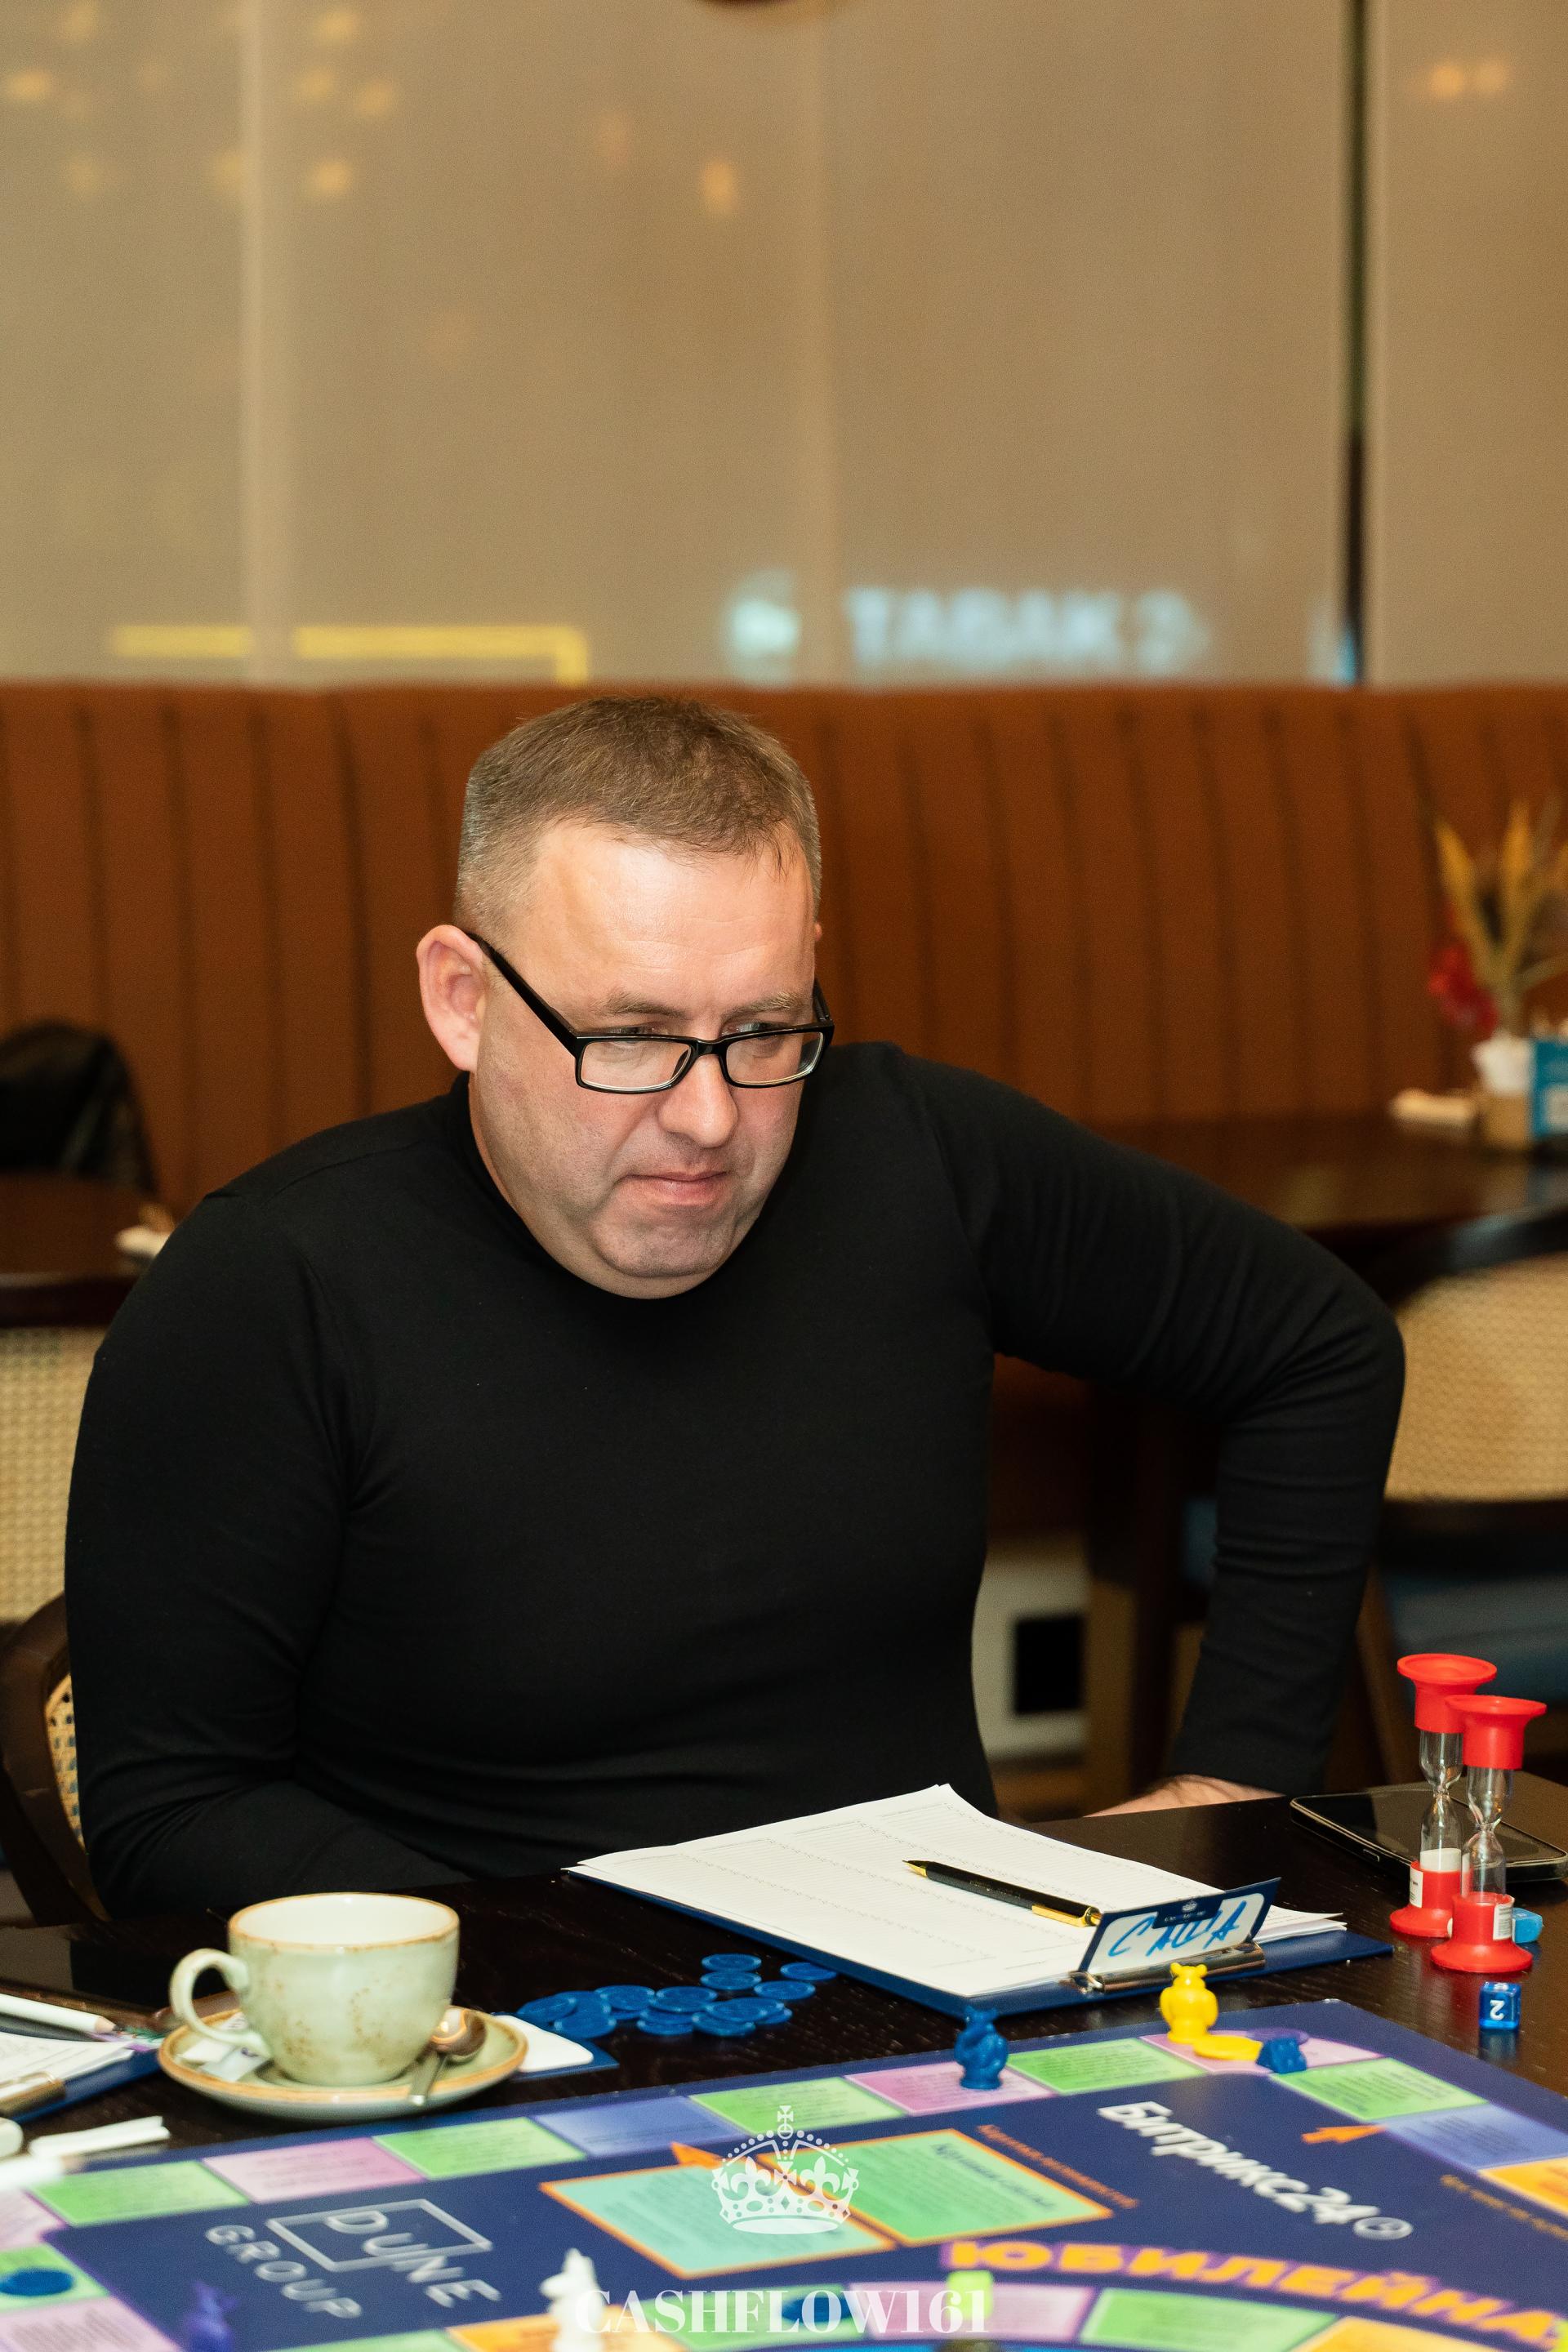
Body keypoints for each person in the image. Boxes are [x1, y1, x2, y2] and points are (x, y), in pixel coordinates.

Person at [67, 697, 1404, 1917]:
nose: (709, 1117)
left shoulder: (920, 1161)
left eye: (764, 1032)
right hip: (496, 2024)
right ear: (463, 1000)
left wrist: (1231, 1790)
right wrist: (569, 1967)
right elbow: (174, 1812)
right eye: (632, 1038)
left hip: (946, 2005)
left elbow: (1316, 1346)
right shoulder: (273, 1288)